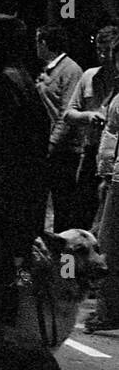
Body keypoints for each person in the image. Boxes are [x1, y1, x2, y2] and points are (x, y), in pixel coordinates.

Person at [62, 25, 118, 235]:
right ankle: (74, 263)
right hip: (91, 151)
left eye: (107, 51)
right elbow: (69, 113)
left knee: (108, 217)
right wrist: (88, 116)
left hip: (113, 156)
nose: (102, 56)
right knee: (81, 211)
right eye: (98, 50)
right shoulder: (89, 76)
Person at [85, 34, 119, 332]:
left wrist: (107, 176)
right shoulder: (113, 93)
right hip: (111, 176)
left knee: (107, 243)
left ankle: (107, 311)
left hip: (116, 178)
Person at [36, 23, 85, 231]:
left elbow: (66, 113)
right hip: (46, 146)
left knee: (62, 205)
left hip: (63, 150)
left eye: (38, 41)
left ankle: (65, 255)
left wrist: (51, 143)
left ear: (45, 43)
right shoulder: (48, 69)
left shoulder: (70, 70)